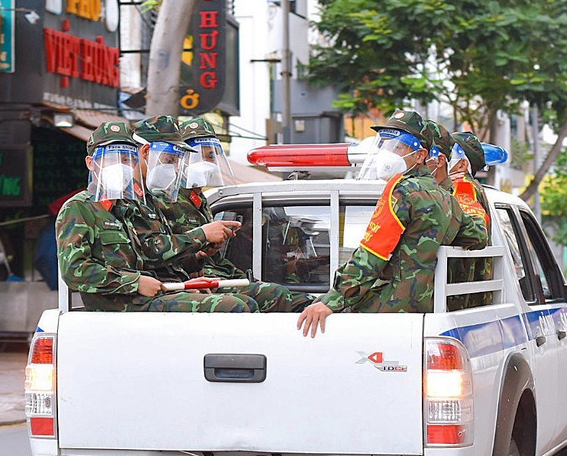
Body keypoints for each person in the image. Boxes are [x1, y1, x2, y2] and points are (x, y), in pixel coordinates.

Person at [296, 110, 471, 337]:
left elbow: (372, 254)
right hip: (423, 306)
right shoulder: (446, 196)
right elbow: (476, 237)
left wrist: (332, 300)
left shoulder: (401, 190)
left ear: (420, 155)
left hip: (388, 307)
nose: (388, 153)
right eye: (386, 145)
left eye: (398, 147)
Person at [55, 121, 255, 312]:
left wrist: (179, 282)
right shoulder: (79, 208)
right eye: (113, 158)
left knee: (245, 303)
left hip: (148, 296)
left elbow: (146, 259)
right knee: (232, 307)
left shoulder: (125, 208)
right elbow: (74, 271)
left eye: (127, 159)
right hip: (119, 305)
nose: (122, 165)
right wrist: (135, 283)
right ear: (91, 163)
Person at [145, 117, 315, 312]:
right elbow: (160, 252)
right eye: (201, 156)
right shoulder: (167, 199)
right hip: (190, 278)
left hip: (213, 273)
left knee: (294, 298)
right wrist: (201, 240)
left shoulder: (200, 202)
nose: (209, 163)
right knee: (262, 299)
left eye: (211, 156)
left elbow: (209, 257)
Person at [448, 131, 495, 309]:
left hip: (459, 295)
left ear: (462, 164)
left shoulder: (463, 186)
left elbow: (474, 234)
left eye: (447, 154)